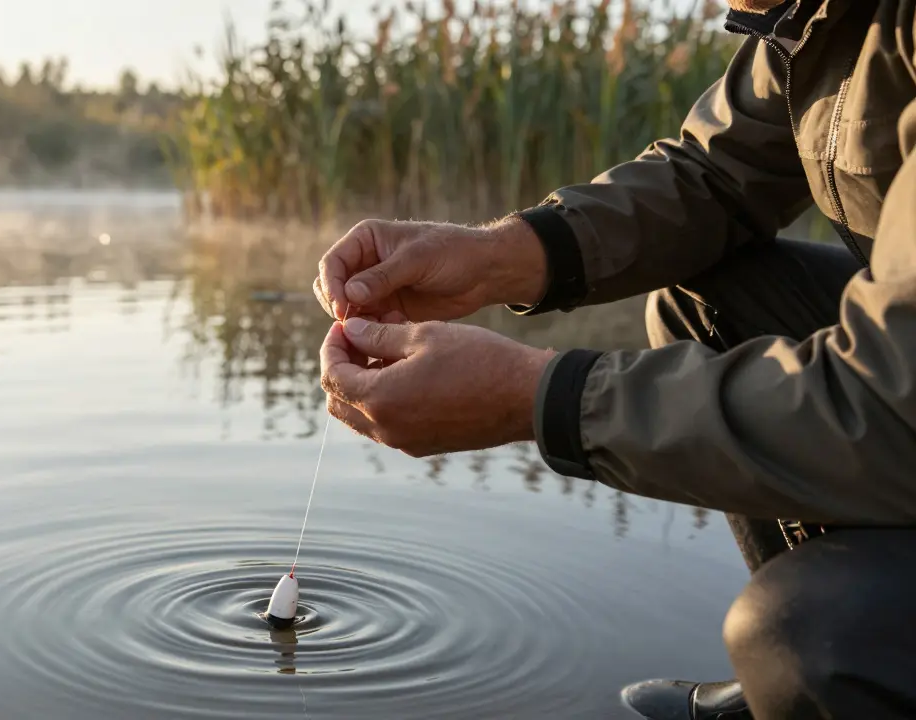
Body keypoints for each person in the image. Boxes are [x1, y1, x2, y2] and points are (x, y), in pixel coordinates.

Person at [312, 0, 916, 718]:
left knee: (808, 633)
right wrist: (496, 256)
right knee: (705, 295)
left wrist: (535, 397)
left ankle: (834, 666)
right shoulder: (817, 18)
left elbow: (889, 402)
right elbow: (714, 180)